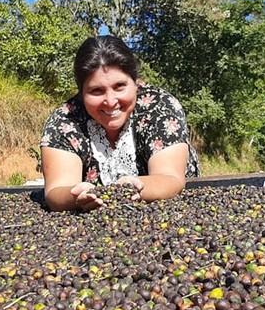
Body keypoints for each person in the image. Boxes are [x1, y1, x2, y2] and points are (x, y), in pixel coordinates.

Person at [40, 35, 199, 211]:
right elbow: (56, 190)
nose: (110, 101)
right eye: (96, 91)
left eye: (119, 86)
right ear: (81, 92)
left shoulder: (160, 107)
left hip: (172, 212)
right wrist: (76, 196)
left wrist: (132, 187)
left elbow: (170, 178)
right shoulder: (65, 121)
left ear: (136, 82)